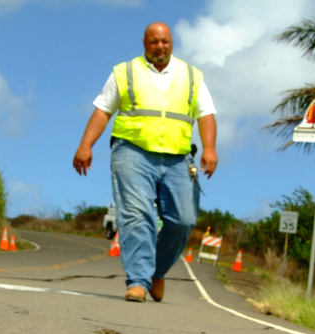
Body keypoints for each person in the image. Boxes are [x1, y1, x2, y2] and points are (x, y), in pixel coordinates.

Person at [73, 22, 218, 302]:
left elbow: (206, 114)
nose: (160, 47)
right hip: (132, 152)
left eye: (165, 42)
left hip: (178, 157)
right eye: (154, 42)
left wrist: (209, 149)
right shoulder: (125, 72)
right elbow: (103, 110)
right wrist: (85, 145)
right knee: (138, 214)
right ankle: (137, 280)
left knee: (183, 220)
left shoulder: (191, 75)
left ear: (171, 42)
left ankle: (157, 272)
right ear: (144, 43)